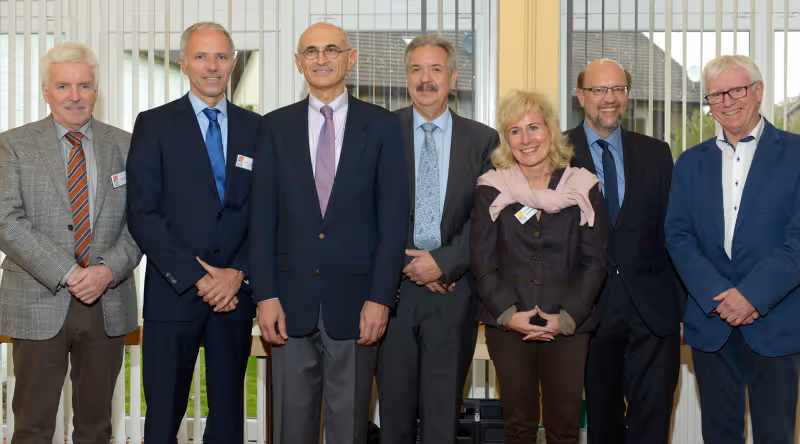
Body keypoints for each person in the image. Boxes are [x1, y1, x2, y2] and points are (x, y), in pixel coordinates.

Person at [250, 22, 408, 444]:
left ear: (350, 58)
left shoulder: (383, 127)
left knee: (348, 429)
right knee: (291, 430)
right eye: (312, 52)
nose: (322, 59)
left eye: (331, 50)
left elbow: (393, 223)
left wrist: (380, 298)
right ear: (299, 63)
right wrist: (264, 296)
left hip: (358, 306)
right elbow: (261, 221)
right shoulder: (274, 127)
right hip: (288, 304)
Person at [0, 42, 142, 444]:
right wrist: (69, 272)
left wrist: (106, 271)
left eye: (84, 85)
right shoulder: (12, 144)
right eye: (63, 86)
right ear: (46, 91)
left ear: (97, 90)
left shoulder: (128, 145)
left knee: (97, 429)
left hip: (107, 301)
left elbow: (142, 224)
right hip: (36, 300)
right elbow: (5, 220)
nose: (75, 96)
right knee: (32, 427)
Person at [126, 22, 261, 443]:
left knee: (227, 419)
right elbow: (143, 214)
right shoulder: (154, 125)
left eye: (221, 57)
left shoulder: (257, 128)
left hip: (235, 298)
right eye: (201, 56)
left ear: (234, 63)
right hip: (175, 294)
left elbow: (265, 213)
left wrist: (237, 273)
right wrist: (200, 278)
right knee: (163, 417)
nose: (212, 66)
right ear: (183, 63)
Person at [666, 55, 800, 444]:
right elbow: (677, 235)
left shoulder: (796, 154)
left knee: (776, 434)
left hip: (776, 321)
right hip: (713, 323)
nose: (727, 101)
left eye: (736, 90)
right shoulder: (689, 163)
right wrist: (720, 298)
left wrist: (753, 296)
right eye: (716, 94)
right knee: (719, 434)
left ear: (757, 91)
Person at [377, 33, 499, 444]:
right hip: (391, 294)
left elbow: (488, 220)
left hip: (454, 292)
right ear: (406, 77)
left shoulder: (483, 140)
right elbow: (366, 212)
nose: (425, 79)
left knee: (443, 418)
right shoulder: (380, 132)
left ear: (453, 77)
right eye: (416, 69)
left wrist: (444, 262)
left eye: (435, 69)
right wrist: (410, 264)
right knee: (392, 415)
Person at [471, 89, 608, 444]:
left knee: (564, 428)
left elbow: (594, 260)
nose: (526, 138)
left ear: (550, 130)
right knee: (518, 427)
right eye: (515, 131)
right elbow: (483, 259)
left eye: (534, 127)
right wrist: (507, 314)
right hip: (508, 325)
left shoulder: (582, 187)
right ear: (506, 139)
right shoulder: (491, 187)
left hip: (568, 325)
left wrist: (565, 318)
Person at [568, 58, 683, 444]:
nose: (610, 99)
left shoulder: (656, 152)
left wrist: (682, 310)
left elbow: (674, 234)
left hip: (654, 312)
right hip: (588, 312)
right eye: (599, 90)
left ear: (628, 95)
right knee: (603, 423)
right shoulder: (556, 153)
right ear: (581, 96)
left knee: (653, 422)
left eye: (618, 89)